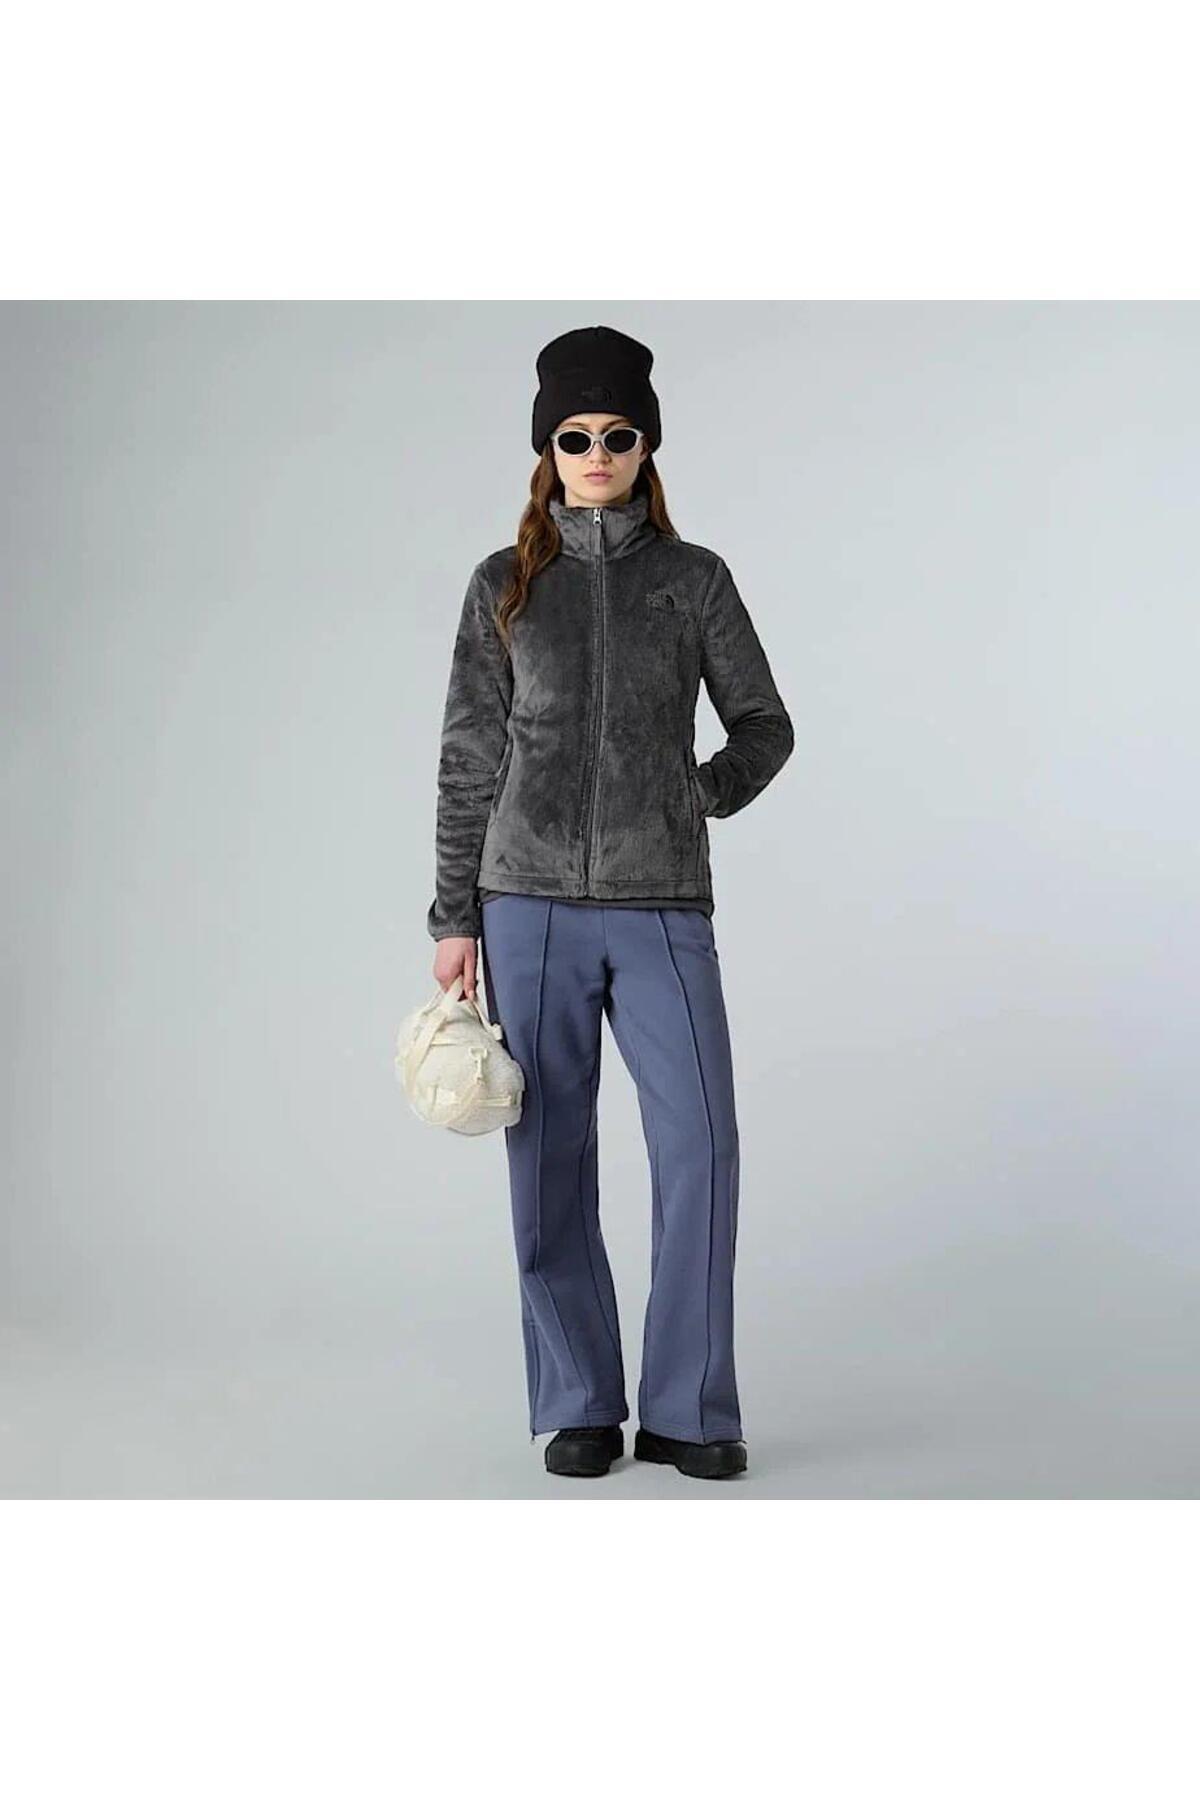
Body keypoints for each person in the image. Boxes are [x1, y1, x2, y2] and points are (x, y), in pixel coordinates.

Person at [426, 325, 793, 1479]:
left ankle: (689, 1408)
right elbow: (468, 758)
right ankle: (580, 1400)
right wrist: (452, 918)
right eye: (575, 437)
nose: (597, 454)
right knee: (547, 1158)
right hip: (524, 902)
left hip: (661, 902)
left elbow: (764, 725)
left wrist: (697, 794)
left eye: (618, 435)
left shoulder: (693, 581)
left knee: (702, 1149)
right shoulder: (504, 585)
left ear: (646, 447)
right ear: (548, 451)